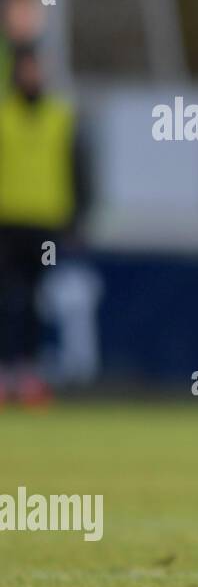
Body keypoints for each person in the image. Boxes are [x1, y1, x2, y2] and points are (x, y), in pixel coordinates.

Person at [0, 45, 86, 406]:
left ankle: (30, 375)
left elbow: (78, 170)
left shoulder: (60, 116)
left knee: (36, 300)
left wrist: (77, 218)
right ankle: (5, 374)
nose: (32, 75)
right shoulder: (4, 115)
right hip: (6, 223)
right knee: (6, 299)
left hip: (46, 224)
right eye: (27, 69)